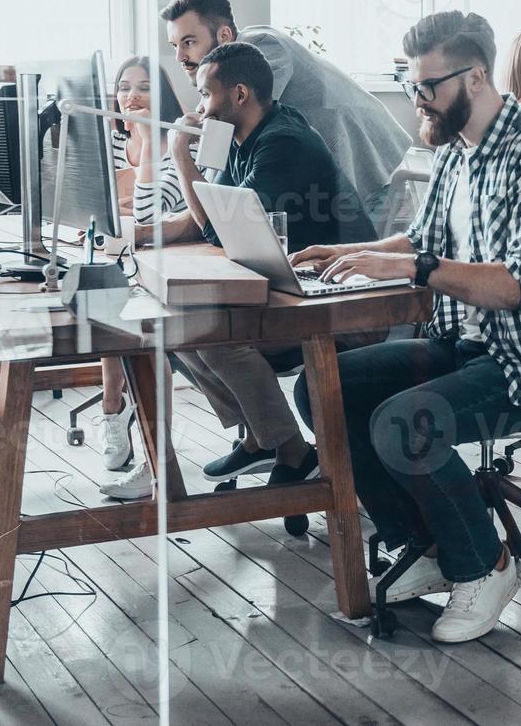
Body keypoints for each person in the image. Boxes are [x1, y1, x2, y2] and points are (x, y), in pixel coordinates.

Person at [289, 10, 521, 644]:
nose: (417, 99)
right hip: (466, 345)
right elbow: (426, 241)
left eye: (427, 86)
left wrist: (411, 264)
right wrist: (359, 254)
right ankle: (426, 542)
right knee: (323, 387)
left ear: (476, 77)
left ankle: (486, 566)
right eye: (411, 85)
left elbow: (516, 285)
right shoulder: (458, 153)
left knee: (403, 424)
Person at [100, 41, 345, 499]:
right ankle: (260, 437)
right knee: (180, 330)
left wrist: (180, 153)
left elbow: (217, 230)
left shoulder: (282, 144)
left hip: (323, 297)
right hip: (273, 281)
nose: (199, 107)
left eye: (205, 95)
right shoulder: (242, 134)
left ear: (238, 94)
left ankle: (291, 447)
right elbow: (207, 216)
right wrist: (139, 235)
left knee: (206, 329)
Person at [160, 0, 410, 224]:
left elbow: (226, 138)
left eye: (189, 42)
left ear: (224, 36)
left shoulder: (263, 48)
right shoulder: (223, 80)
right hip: (329, 179)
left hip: (368, 165)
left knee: (354, 261)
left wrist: (191, 212)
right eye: (175, 46)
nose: (180, 57)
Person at [93, 56, 186, 476]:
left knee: (127, 311)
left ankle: (148, 440)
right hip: (126, 254)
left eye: (144, 87)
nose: (131, 96)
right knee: (103, 297)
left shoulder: (184, 141)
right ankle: (114, 411)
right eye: (124, 86)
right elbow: (99, 205)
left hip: (175, 263)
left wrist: (148, 140)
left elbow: (146, 213)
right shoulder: (110, 143)